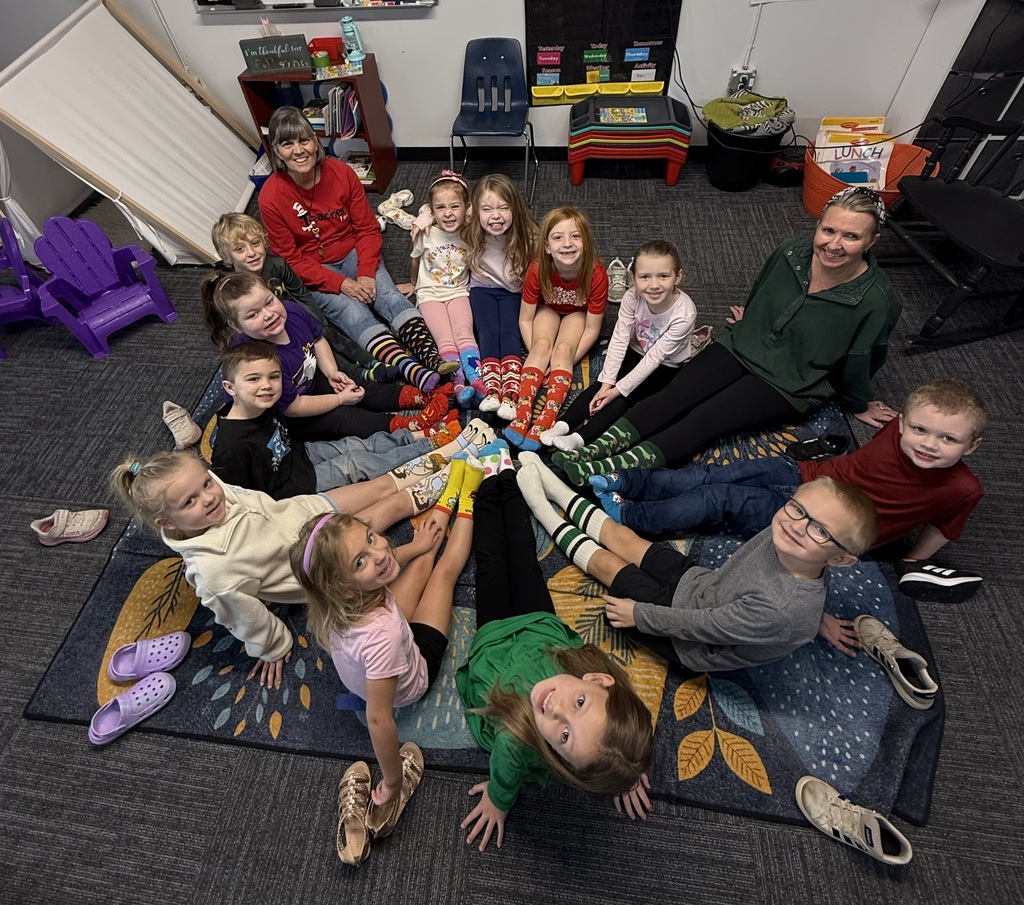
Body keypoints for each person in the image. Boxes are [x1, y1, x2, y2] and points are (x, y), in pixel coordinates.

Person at [552, 186, 903, 485]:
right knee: (671, 396)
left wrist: (859, 402)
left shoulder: (878, 300)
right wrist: (752, 318)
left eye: (851, 236)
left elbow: (862, 358)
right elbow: (763, 288)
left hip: (788, 381)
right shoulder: (791, 252)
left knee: (706, 420)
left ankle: (602, 470)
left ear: (873, 240)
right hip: (741, 344)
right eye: (828, 230)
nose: (833, 244)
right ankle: (590, 448)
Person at [595, 379, 986, 643]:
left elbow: (944, 528)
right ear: (901, 423)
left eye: (948, 438)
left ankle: (632, 517)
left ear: (970, 447)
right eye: (920, 430)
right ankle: (630, 481)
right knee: (714, 473)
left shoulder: (963, 488)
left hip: (814, 521)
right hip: (809, 474)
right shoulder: (893, 431)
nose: (929, 444)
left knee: (720, 498)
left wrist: (913, 560)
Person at [110, 450, 460, 688]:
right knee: (391, 508)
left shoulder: (210, 493)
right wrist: (274, 646)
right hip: (320, 561)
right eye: (191, 501)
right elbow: (244, 617)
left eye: (206, 483)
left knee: (382, 485)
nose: (209, 496)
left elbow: (239, 499)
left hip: (309, 512)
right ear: (165, 522)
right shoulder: (213, 570)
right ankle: (462, 478)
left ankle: (460, 449)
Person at [515, 453, 878, 672]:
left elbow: (704, 626)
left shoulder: (781, 608)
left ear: (842, 558)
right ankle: (558, 490)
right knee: (627, 539)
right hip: (702, 585)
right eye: (798, 508)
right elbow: (811, 583)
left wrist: (638, 615)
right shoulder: (792, 534)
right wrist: (817, 619)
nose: (797, 526)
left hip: (684, 638)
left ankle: (544, 512)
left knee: (611, 567)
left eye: (819, 530)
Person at [457, 469, 655, 852]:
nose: (556, 708)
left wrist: (498, 800)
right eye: (579, 703)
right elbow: (621, 726)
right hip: (540, 626)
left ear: (561, 760)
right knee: (523, 556)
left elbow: (506, 768)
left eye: (564, 736)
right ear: (598, 680)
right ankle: (507, 479)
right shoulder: (592, 684)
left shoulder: (520, 740)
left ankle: (486, 486)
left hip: (495, 645)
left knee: (492, 562)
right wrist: (626, 770)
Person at [292, 458, 482, 827]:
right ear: (343, 586)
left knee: (422, 555)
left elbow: (386, 558)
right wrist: (393, 782)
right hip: (413, 670)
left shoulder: (335, 604)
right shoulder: (385, 635)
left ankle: (450, 493)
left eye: (370, 536)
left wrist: (414, 546)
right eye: (360, 561)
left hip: (381, 634)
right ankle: (469, 496)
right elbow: (379, 719)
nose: (379, 552)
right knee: (442, 571)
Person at [257, 106, 448, 391]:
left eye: (304, 140)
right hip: (313, 269)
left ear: (315, 141)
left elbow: (367, 229)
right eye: (287, 143)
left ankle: (432, 357)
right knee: (355, 314)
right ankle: (411, 370)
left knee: (388, 296)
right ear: (276, 150)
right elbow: (290, 260)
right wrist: (342, 283)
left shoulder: (342, 173)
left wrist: (366, 271)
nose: (298, 150)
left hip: (353, 251)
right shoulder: (270, 196)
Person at [212, 342, 494, 499]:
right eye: (254, 379)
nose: (267, 386)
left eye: (273, 377)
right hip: (291, 487)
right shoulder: (230, 447)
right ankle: (432, 444)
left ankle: (415, 435)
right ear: (229, 388)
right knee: (356, 464)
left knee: (355, 445)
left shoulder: (266, 404)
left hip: (299, 455)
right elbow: (237, 499)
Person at [202, 271, 455, 443]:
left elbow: (318, 339)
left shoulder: (290, 311)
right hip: (287, 418)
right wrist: (338, 399)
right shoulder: (257, 359)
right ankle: (408, 425)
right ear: (236, 325)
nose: (268, 314)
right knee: (344, 418)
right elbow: (293, 408)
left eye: (269, 302)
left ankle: (422, 396)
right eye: (253, 314)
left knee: (360, 387)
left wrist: (333, 372)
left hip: (307, 382)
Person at [541, 240, 698, 453]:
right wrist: (607, 383)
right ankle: (562, 425)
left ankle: (579, 438)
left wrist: (616, 391)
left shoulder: (684, 314)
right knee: (602, 383)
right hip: (636, 349)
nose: (653, 285)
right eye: (644, 277)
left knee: (626, 396)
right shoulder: (631, 296)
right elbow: (619, 339)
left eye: (663, 276)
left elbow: (654, 359)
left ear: (678, 277)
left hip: (665, 365)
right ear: (632, 278)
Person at [210, 212, 395, 384]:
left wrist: (319, 323)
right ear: (227, 256)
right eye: (240, 249)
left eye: (256, 243)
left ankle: (371, 361)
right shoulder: (230, 289)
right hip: (270, 337)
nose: (251, 253)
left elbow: (300, 294)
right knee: (316, 353)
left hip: (293, 318)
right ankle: (360, 373)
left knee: (332, 336)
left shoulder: (277, 264)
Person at [504, 207, 608, 451]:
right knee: (541, 346)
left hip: (577, 313)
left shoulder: (597, 274)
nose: (567, 244)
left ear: (586, 242)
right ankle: (523, 412)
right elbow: (525, 320)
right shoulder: (537, 269)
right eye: (558, 237)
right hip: (547, 309)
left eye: (575, 236)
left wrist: (565, 361)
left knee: (563, 350)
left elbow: (592, 329)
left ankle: (547, 417)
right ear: (547, 246)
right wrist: (539, 356)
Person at [405, 171, 487, 406]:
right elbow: (415, 259)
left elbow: (478, 209)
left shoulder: (471, 231)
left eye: (454, 206)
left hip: (459, 292)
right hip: (429, 295)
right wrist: (413, 282)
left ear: (466, 208)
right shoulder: (426, 233)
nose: (448, 213)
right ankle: (459, 384)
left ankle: (477, 378)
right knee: (445, 338)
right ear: (432, 210)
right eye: (440, 208)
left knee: (464, 332)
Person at [463, 174, 539, 415]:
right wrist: (423, 217)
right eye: (487, 209)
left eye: (503, 208)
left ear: (514, 208)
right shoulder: (470, 227)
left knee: (508, 332)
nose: (495, 216)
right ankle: (493, 390)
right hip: (481, 288)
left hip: (513, 292)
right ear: (474, 211)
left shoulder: (529, 237)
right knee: (488, 332)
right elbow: (439, 206)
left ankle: (510, 394)